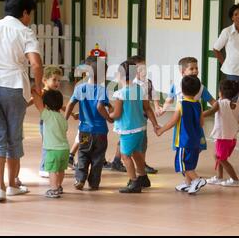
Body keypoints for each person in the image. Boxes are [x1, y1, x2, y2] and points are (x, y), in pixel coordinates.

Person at [0, 0, 43, 202]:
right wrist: (38, 87)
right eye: (29, 14)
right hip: (13, 86)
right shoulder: (25, 31)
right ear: (24, 13)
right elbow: (37, 64)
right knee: (14, 136)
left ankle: (0, 188)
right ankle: (13, 184)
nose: (29, 18)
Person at [107, 60, 160, 193]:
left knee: (125, 156)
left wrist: (108, 114)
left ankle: (133, 182)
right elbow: (147, 108)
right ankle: (143, 177)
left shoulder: (121, 94)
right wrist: (155, 124)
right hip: (141, 128)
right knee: (137, 153)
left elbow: (117, 114)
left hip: (128, 130)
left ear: (120, 75)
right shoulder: (140, 89)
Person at [64, 56, 112, 191]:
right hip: (100, 131)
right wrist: (109, 118)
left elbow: (70, 104)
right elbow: (100, 107)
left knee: (83, 154)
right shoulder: (102, 90)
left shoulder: (80, 88)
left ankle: (80, 179)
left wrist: (65, 119)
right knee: (98, 158)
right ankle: (94, 183)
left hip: (85, 130)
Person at [203, 80, 239, 186]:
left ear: (220, 92)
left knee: (220, 158)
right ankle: (219, 177)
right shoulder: (237, 106)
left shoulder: (219, 103)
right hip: (231, 139)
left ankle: (235, 179)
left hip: (222, 138)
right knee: (218, 156)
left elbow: (210, 112)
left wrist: (197, 115)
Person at [156, 75, 207, 195]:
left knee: (182, 164)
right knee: (190, 163)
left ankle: (197, 180)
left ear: (182, 89)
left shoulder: (181, 104)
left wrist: (161, 130)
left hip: (184, 141)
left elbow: (173, 121)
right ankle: (188, 184)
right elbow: (201, 123)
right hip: (196, 141)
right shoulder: (198, 105)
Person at [213, 3, 239, 137]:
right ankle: (230, 123)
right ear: (232, 17)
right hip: (232, 70)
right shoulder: (227, 32)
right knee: (232, 98)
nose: (238, 17)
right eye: (236, 14)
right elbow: (216, 48)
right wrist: (224, 62)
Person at [31, 88, 69, 198]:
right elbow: (65, 129)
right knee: (61, 170)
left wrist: (34, 92)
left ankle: (54, 189)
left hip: (53, 150)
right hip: (65, 149)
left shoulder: (47, 115)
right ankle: (59, 186)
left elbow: (38, 104)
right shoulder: (62, 118)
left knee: (52, 171)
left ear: (46, 105)